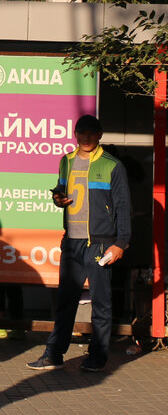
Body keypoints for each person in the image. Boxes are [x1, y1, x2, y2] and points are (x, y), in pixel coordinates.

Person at [28, 114, 131, 373]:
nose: (86, 138)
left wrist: (121, 242)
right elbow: (60, 190)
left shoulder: (112, 165)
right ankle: (54, 354)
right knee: (65, 301)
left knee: (101, 303)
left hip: (99, 243)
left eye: (91, 133)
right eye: (81, 133)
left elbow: (123, 205)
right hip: (72, 241)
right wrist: (58, 199)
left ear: (100, 135)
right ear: (75, 134)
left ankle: (97, 356)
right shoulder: (66, 161)